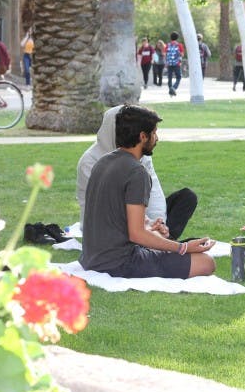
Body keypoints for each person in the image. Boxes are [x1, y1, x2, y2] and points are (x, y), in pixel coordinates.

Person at [80, 105, 215, 279]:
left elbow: (115, 216)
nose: (157, 138)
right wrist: (183, 248)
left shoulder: (103, 162)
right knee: (207, 262)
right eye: (154, 133)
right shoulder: (136, 171)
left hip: (91, 258)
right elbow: (136, 234)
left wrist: (150, 225)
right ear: (143, 136)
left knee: (168, 242)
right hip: (119, 262)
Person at [77, 105, 199, 240]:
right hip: (110, 229)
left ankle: (163, 242)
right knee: (202, 259)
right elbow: (111, 210)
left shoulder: (139, 159)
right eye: (153, 133)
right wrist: (150, 229)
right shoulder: (92, 162)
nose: (157, 138)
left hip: (139, 221)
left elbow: (154, 193)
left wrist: (158, 224)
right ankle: (163, 245)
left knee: (187, 197)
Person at [165, 32, 183, 97]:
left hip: (169, 63)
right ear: (177, 38)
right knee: (179, 77)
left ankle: (170, 90)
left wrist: (166, 62)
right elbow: (182, 54)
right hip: (176, 63)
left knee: (169, 77)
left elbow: (165, 54)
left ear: (171, 37)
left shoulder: (167, 45)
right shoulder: (179, 45)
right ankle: (174, 87)